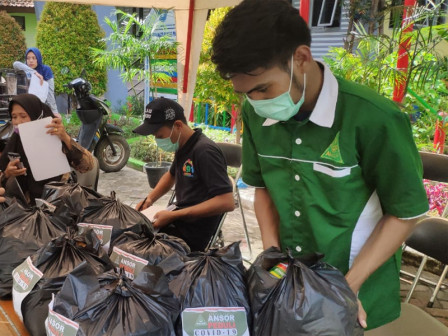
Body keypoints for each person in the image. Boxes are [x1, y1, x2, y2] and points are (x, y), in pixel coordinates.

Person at [211, 0, 428, 332]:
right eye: (246, 93)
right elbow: (263, 188)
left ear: (300, 58)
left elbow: (406, 212)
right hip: (289, 291)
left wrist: (345, 288)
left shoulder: (373, 119)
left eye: (263, 88)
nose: (255, 102)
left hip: (357, 293)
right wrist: (271, 256)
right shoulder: (256, 113)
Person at [133, 97, 234, 252]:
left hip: (194, 232)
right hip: (179, 219)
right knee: (131, 230)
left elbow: (226, 202)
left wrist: (175, 215)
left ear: (178, 125)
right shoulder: (184, 145)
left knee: (139, 248)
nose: (157, 140)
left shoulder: (205, 151)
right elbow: (171, 175)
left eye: (159, 136)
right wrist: (149, 199)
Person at [0, 93, 94, 205]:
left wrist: (65, 138)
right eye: (14, 117)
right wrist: (7, 173)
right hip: (25, 211)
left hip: (59, 205)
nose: (17, 121)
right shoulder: (15, 141)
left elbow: (88, 165)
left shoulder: (54, 134)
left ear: (37, 115)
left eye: (23, 116)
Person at [13, 47, 59, 116]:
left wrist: (55, 111)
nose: (31, 61)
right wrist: (34, 72)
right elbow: (15, 64)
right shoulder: (24, 68)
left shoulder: (46, 70)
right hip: (25, 106)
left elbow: (50, 93)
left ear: (38, 58)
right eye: (28, 58)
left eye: (34, 58)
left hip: (42, 105)